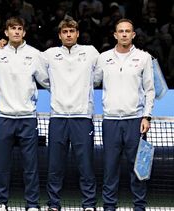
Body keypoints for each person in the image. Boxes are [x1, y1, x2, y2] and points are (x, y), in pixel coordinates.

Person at [94, 18, 155, 211]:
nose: (124, 34)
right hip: (110, 121)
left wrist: (146, 116)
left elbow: (150, 90)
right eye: (120, 31)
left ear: (133, 34)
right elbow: (91, 81)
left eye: (128, 31)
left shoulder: (144, 58)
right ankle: (109, 206)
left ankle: (139, 207)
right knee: (110, 169)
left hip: (135, 121)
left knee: (138, 169)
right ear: (115, 35)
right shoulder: (103, 58)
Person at [0, 17, 49, 211]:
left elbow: (47, 81)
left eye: (19, 29)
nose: (16, 31)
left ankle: (32, 204)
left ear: (24, 32)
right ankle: (0, 202)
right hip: (3, 117)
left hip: (27, 117)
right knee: (1, 166)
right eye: (12, 29)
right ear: (6, 32)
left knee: (30, 166)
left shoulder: (34, 54)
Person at [42, 18, 99, 211]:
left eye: (72, 31)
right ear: (60, 35)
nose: (68, 34)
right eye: (65, 31)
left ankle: (89, 204)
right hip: (58, 117)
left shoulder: (90, 52)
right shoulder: (49, 54)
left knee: (86, 165)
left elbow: (98, 76)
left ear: (77, 33)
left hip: (82, 117)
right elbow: (41, 76)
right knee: (55, 165)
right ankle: (53, 204)